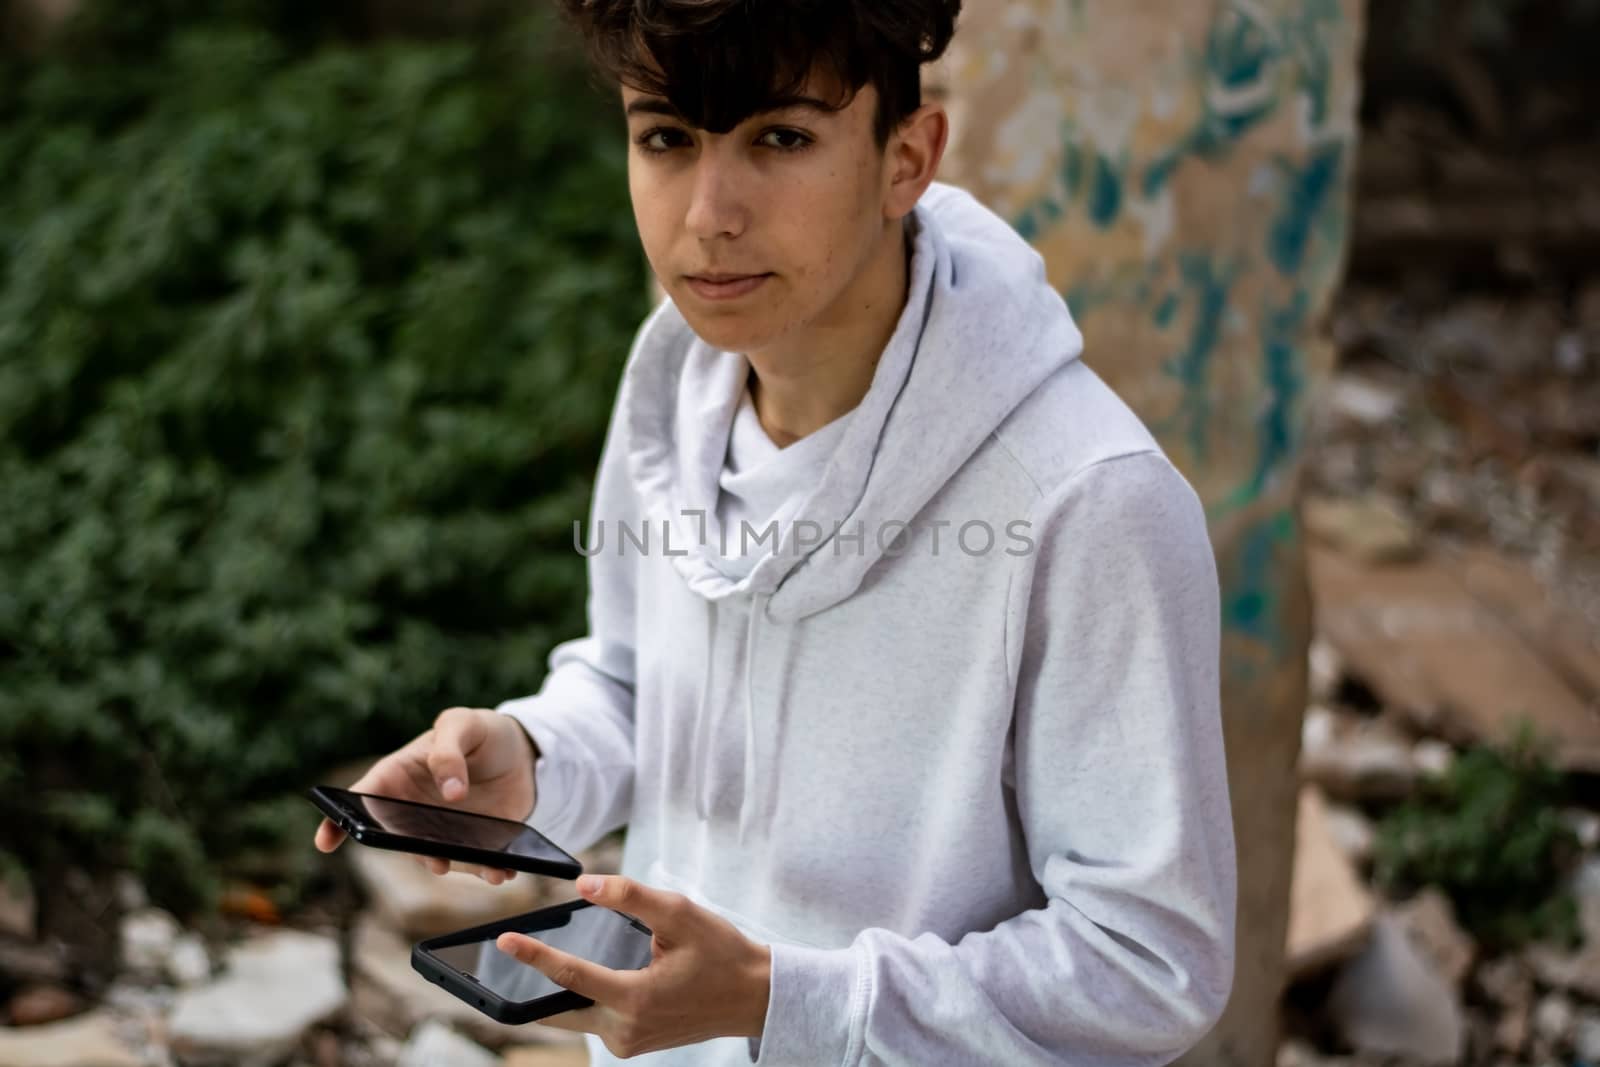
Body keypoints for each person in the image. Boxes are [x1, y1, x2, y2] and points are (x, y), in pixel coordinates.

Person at [315, 1, 1236, 1062]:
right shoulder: (678, 380)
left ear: (907, 157)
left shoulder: (1091, 499)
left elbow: (1148, 961)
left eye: (780, 139)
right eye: (667, 137)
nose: (709, 212)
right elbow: (634, 680)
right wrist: (535, 755)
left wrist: (780, 999)